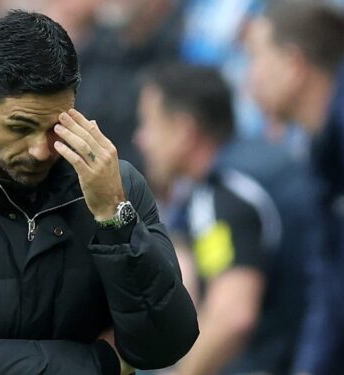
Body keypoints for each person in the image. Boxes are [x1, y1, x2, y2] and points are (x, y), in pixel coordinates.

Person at [0, 11, 198, 375]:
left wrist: (114, 217)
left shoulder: (115, 187)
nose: (40, 150)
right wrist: (99, 362)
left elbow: (165, 345)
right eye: (20, 126)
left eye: (55, 127)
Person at [136, 63, 319, 374]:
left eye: (149, 124)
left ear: (184, 132)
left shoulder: (225, 193)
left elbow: (233, 316)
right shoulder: (261, 161)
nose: (141, 139)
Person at [245, 1, 344, 373]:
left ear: (294, 65)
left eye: (257, 58)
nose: (251, 79)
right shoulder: (325, 142)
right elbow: (333, 288)